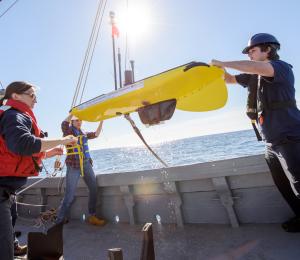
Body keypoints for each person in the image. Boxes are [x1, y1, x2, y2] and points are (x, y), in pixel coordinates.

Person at [211, 33, 300, 232]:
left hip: (291, 138)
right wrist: (216, 69)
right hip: (271, 143)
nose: (249, 55)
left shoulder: (281, 68)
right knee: (284, 187)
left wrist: (223, 61)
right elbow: (228, 78)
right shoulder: (255, 76)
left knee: (299, 184)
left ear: (268, 49)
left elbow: (255, 67)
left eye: (252, 50)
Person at [0, 81, 78, 259]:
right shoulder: (14, 116)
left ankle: (12, 247)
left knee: (9, 227)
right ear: (16, 96)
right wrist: (64, 140)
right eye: (32, 95)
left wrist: (48, 153)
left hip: (6, 190)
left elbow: (14, 152)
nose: (36, 100)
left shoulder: (9, 115)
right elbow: (23, 144)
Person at [56, 114, 105, 226]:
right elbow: (64, 124)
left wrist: (102, 120)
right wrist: (72, 113)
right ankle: (59, 220)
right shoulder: (68, 132)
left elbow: (96, 134)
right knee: (69, 195)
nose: (79, 122)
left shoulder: (84, 133)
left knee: (93, 189)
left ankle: (92, 216)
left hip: (86, 163)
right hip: (74, 166)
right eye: (76, 120)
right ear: (72, 122)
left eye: (80, 120)